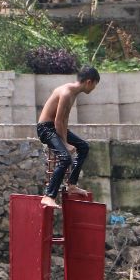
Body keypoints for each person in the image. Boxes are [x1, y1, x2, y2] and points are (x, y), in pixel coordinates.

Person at [36, 65, 100, 208]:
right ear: (89, 82)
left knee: (83, 147)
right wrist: (65, 144)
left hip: (55, 127)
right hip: (46, 129)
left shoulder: (73, 92)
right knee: (65, 158)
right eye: (95, 85)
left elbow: (63, 120)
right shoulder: (66, 93)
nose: (94, 88)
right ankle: (48, 196)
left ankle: (72, 184)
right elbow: (58, 120)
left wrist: (67, 142)